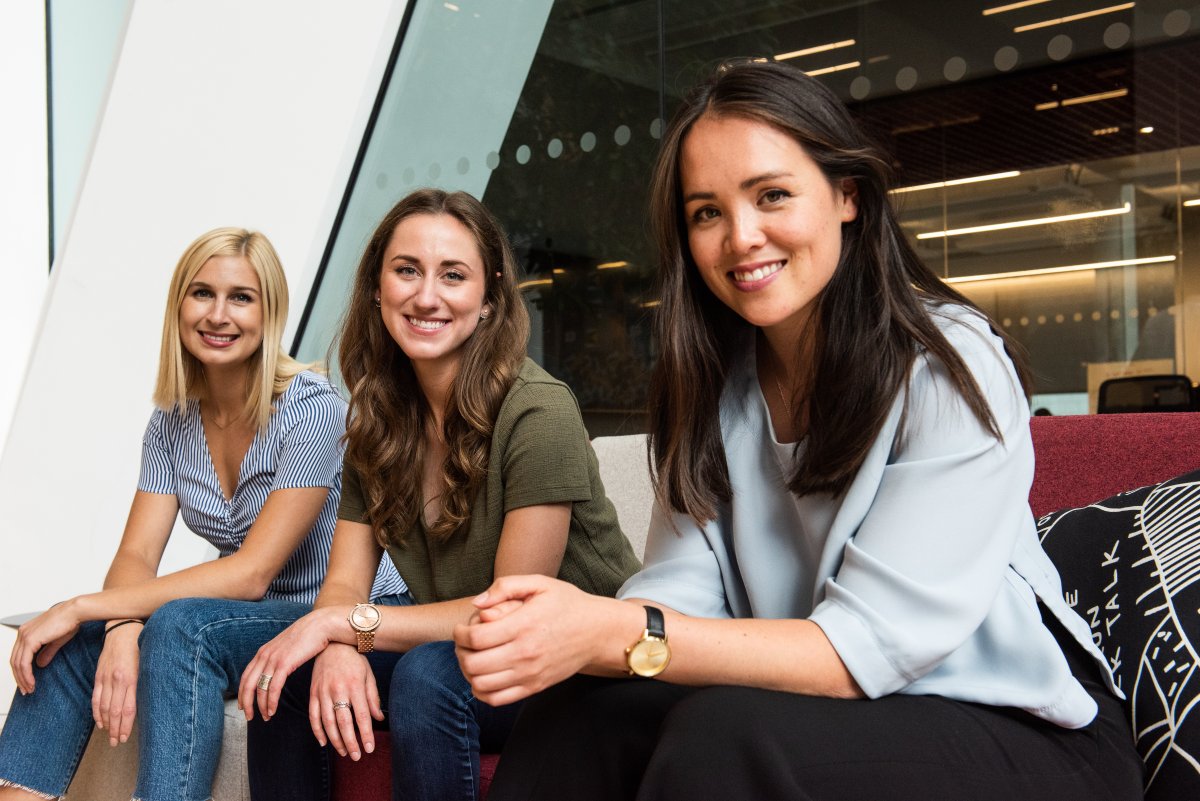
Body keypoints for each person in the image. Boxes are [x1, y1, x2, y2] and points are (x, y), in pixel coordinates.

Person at [452, 61, 1145, 801]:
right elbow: (676, 604)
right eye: (706, 212)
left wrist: (607, 632)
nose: (741, 238)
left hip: (1023, 733)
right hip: (826, 715)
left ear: (847, 195)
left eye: (772, 195)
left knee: (721, 737)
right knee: (585, 709)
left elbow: (863, 649)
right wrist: (550, 626)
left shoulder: (947, 364)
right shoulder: (714, 391)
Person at [239, 188, 641, 801]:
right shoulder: (379, 420)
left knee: (429, 676)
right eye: (407, 271)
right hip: (470, 653)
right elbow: (345, 584)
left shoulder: (537, 409)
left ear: (489, 298)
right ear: (378, 287)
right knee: (284, 676)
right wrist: (336, 642)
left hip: (584, 669)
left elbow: (508, 615)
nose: (426, 296)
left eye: (453, 275)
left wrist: (343, 626)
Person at [0, 227, 404, 801]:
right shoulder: (172, 422)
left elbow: (251, 572)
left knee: (180, 625)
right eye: (201, 294)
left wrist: (81, 604)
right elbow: (137, 553)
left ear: (270, 313)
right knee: (63, 646)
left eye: (241, 297)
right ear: (179, 307)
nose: (218, 314)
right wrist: (116, 629)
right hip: (247, 619)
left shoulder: (312, 408)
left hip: (336, 611)